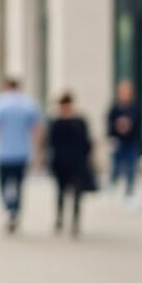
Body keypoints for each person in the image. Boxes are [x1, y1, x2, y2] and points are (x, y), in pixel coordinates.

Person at [0, 78, 42, 234]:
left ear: (6, 86)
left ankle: (8, 209)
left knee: (3, 185)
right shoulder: (29, 103)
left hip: (3, 153)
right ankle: (15, 210)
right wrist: (37, 152)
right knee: (19, 185)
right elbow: (37, 130)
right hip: (22, 152)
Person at [48, 92, 93, 237]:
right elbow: (51, 142)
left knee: (77, 194)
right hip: (61, 163)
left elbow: (86, 142)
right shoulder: (56, 122)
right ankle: (60, 219)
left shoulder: (79, 121)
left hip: (77, 162)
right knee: (61, 192)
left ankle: (75, 222)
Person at [107, 79, 141, 205]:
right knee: (116, 166)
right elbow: (109, 124)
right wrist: (114, 131)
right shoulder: (115, 108)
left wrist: (128, 126)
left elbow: (137, 124)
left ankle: (129, 193)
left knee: (131, 168)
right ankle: (113, 184)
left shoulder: (134, 108)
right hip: (118, 142)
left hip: (131, 142)